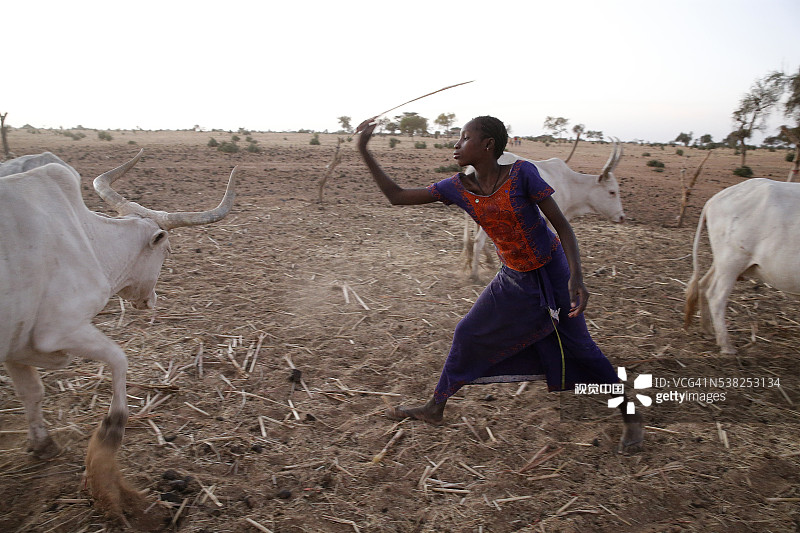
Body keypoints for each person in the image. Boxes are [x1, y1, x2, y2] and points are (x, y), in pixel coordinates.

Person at [356, 115, 643, 454]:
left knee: (582, 348)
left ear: (488, 145)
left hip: (552, 272)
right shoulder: (457, 186)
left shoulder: (522, 174)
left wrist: (576, 276)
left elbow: (562, 226)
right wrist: (364, 149)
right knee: (467, 332)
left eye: (465, 138)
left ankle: (631, 415)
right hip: (513, 276)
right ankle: (435, 408)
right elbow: (397, 196)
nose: (456, 145)